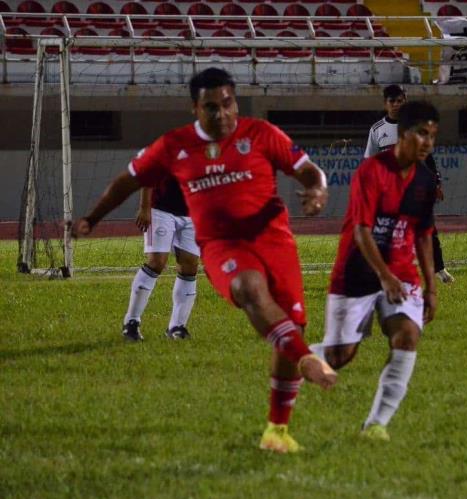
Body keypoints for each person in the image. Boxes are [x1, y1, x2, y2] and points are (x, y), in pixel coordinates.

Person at [72, 67, 337, 453]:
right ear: (195, 108)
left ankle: (276, 431)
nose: (221, 114)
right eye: (211, 107)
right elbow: (126, 181)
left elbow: (309, 171)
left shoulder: (261, 133)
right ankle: (307, 358)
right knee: (249, 289)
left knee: (290, 325)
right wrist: (91, 218)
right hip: (221, 245)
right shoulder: (174, 145)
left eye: (227, 104)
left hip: (274, 241)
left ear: (235, 101)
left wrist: (317, 190)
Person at [313, 101, 440, 441]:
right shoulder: (371, 172)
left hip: (401, 273)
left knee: (407, 336)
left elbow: (424, 235)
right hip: (357, 271)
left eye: (432, 136)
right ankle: (294, 357)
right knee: (339, 356)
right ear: (403, 134)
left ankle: (376, 425)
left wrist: (431, 287)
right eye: (421, 134)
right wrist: (384, 276)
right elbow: (361, 231)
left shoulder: (425, 181)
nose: (427, 142)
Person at [364, 84, 455, 284]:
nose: (396, 104)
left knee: (427, 227)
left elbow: (427, 158)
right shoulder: (377, 130)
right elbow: (369, 162)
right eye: (392, 101)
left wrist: (436, 182)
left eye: (400, 100)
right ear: (385, 104)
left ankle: (439, 269)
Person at [122, 176, 199, 342]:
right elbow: (149, 172)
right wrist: (145, 207)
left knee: (190, 266)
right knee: (156, 263)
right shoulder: (166, 149)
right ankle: (131, 322)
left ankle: (177, 326)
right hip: (161, 210)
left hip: (193, 211)